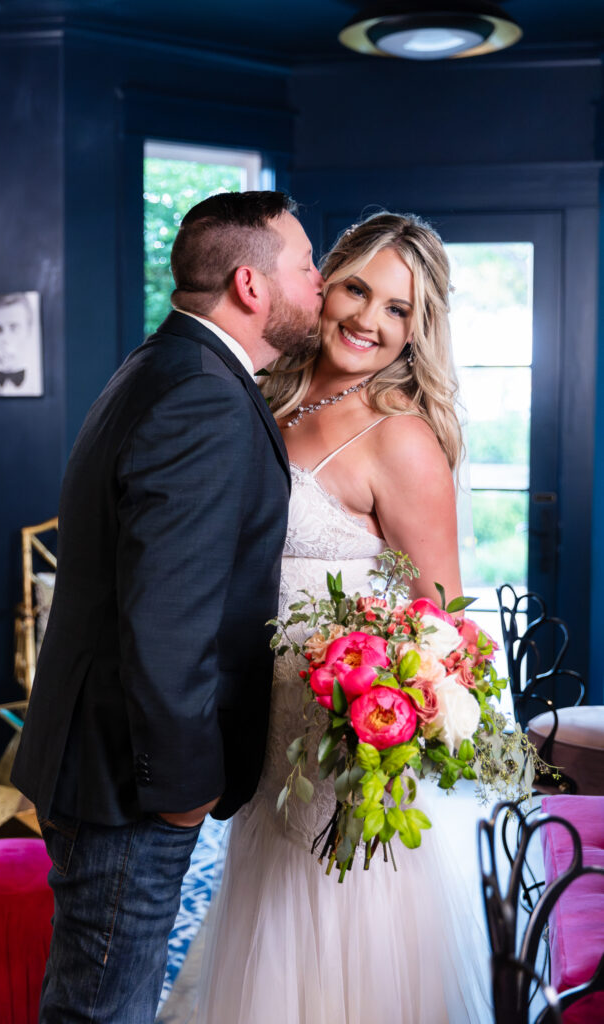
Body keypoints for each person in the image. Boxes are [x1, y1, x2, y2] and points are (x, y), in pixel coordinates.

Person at [11, 190, 324, 1022]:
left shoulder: (169, 366)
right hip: (127, 778)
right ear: (252, 286)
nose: (321, 284)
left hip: (100, 758)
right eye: (306, 265)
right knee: (103, 1008)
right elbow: (166, 617)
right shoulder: (202, 396)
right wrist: (179, 787)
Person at [195, 212, 493, 1024]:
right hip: (267, 744)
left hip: (343, 757)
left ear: (416, 329)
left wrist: (379, 719)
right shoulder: (268, 400)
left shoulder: (399, 440)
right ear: (322, 287)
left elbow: (441, 625)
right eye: (356, 289)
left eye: (397, 309)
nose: (367, 319)